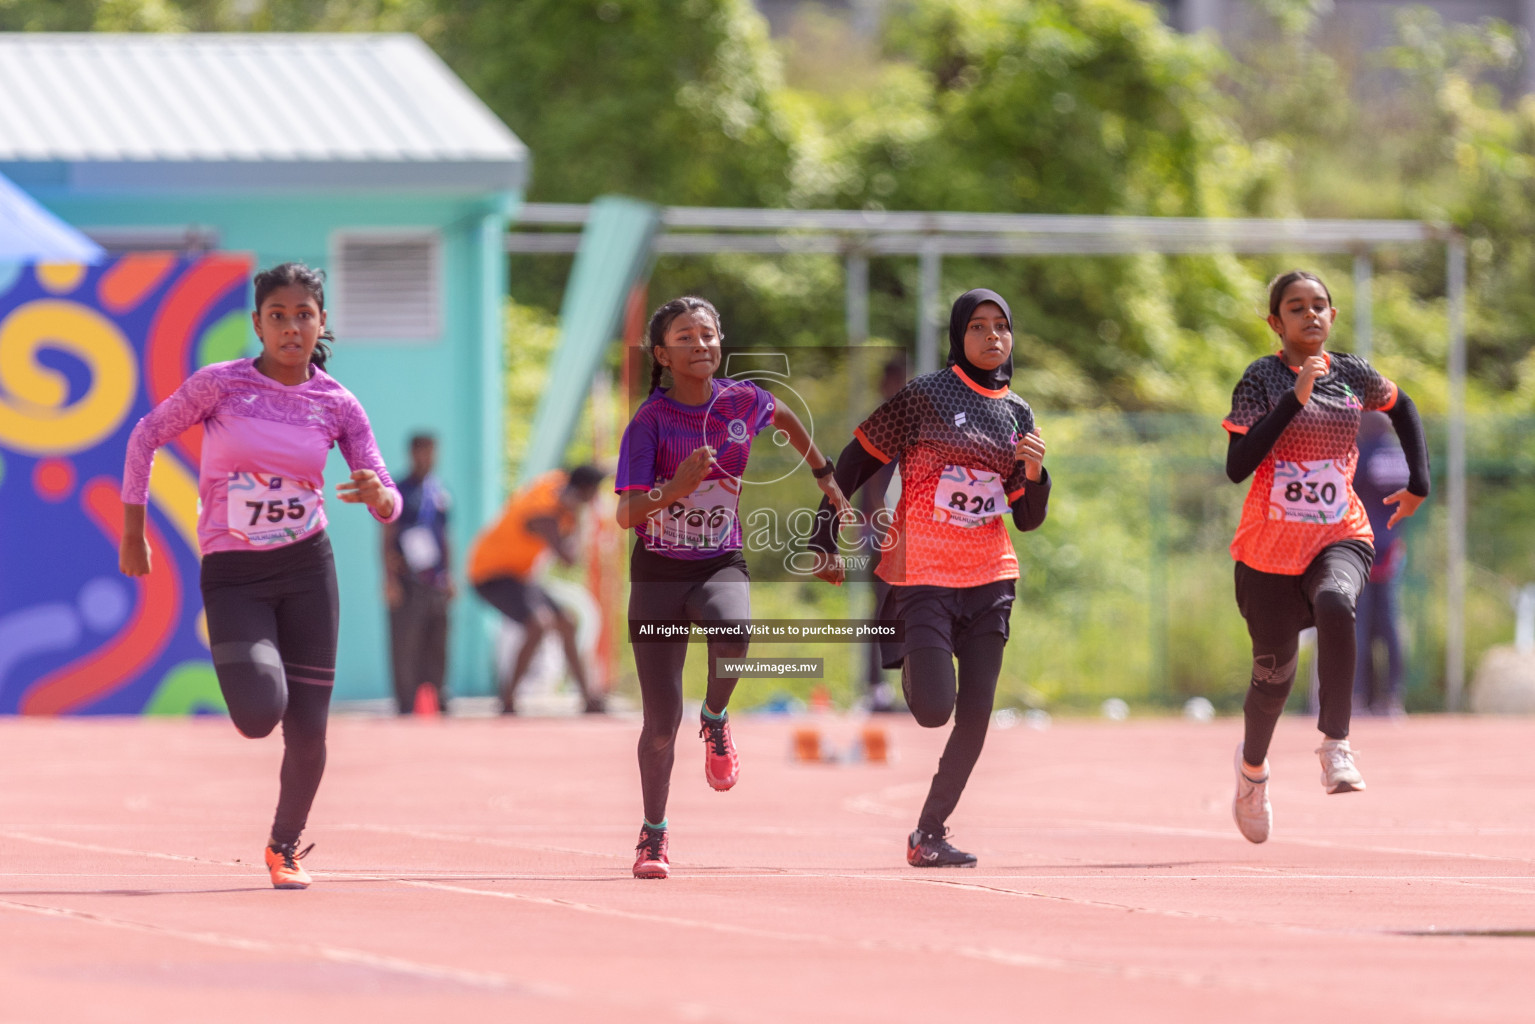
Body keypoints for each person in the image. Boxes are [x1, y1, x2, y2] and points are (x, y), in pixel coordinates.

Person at [119, 262, 401, 890]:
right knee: (257, 714)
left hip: (307, 569)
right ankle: (254, 692)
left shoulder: (337, 404)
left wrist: (378, 496)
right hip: (234, 573)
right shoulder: (219, 386)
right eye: (278, 316)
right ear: (258, 324)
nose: (292, 327)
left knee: (309, 732)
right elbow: (146, 436)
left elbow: (384, 487)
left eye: (304, 315)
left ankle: (285, 846)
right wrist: (133, 531)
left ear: (322, 322)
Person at [809, 288, 1050, 868]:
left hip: (991, 578)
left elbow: (1028, 517)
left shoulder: (1019, 413)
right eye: (979, 327)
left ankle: (929, 833)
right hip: (924, 574)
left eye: (1002, 326)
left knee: (975, 716)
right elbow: (855, 459)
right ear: (957, 336)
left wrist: (1036, 475)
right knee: (934, 710)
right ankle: (910, 657)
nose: (993, 337)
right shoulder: (925, 396)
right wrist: (823, 532)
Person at [616, 296, 847, 880]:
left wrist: (824, 474)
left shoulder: (743, 401)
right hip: (658, 571)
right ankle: (654, 837)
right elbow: (625, 514)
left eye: (709, 335)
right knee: (660, 723)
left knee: (736, 629)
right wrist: (675, 488)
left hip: (719, 559)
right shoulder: (650, 422)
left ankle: (716, 716)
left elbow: (789, 420)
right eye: (686, 337)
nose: (701, 345)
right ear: (662, 355)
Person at [1223, 270, 1429, 845]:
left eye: (1319, 306)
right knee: (1273, 679)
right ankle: (1252, 772)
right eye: (1296, 307)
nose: (1310, 315)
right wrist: (1295, 399)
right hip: (1268, 553)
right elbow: (1239, 465)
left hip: (1339, 534)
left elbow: (1403, 405)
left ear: (1332, 317)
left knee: (1339, 601)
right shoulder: (1261, 380)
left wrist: (1420, 482)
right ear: (1275, 323)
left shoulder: (1354, 373)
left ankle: (1336, 744)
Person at [468, 465, 607, 715]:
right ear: (585, 492)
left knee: (565, 621)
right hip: (489, 573)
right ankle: (507, 699)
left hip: (518, 574)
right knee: (538, 624)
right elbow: (567, 559)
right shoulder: (546, 515)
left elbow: (578, 475)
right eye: (594, 493)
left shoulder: (557, 483)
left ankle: (588, 698)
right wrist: (580, 519)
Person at [383, 433, 453, 714]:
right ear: (411, 453)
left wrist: (450, 574)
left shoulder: (440, 492)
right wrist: (389, 580)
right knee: (405, 643)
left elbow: (446, 536)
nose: (426, 458)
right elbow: (386, 536)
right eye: (421, 452)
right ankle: (405, 703)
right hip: (407, 579)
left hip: (435, 579)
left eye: (431, 452)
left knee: (437, 642)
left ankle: (436, 696)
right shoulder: (397, 490)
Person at [1352, 411, 1412, 717]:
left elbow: (1348, 493)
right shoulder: (1401, 456)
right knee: (1389, 624)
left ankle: (1358, 695)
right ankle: (1391, 696)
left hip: (1361, 545)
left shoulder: (1364, 455)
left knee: (1357, 624)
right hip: (1391, 547)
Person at [859, 358, 907, 712]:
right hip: (881, 529)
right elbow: (868, 478)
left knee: (915, 605)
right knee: (882, 606)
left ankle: (914, 680)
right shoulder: (876, 425)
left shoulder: (919, 422)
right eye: (892, 382)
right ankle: (876, 686)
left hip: (913, 529)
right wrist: (876, 519)